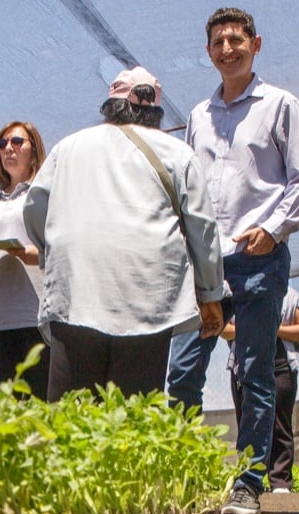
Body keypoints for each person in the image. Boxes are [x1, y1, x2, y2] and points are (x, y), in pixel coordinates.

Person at [167, 7, 299, 514]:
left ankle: (250, 480)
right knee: (184, 371)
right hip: (206, 264)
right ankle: (179, 472)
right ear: (208, 51)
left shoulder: (280, 104)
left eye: (236, 39)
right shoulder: (198, 116)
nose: (227, 48)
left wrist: (272, 229)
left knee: (255, 371)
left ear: (256, 44)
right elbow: (190, 191)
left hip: (258, 260)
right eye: (218, 42)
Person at [23, 67, 225, 401]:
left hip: (76, 295)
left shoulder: (69, 147)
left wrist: (55, 251)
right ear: (155, 111)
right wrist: (210, 294)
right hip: (147, 300)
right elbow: (203, 228)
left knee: (72, 421)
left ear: (109, 105)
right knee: (133, 419)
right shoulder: (177, 153)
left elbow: (34, 208)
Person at [0, 120, 48, 397]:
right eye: (2, 144)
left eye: (17, 142)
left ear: (34, 151)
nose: (8, 149)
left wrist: (26, 253)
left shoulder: (44, 194)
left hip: (32, 315)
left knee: (35, 401)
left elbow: (58, 250)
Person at [225, 284, 299, 494]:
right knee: (247, 421)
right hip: (244, 365)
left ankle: (280, 481)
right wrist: (248, 329)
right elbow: (223, 327)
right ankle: (247, 479)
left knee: (280, 423)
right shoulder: (236, 293)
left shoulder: (289, 295)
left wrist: (274, 328)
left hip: (280, 365)